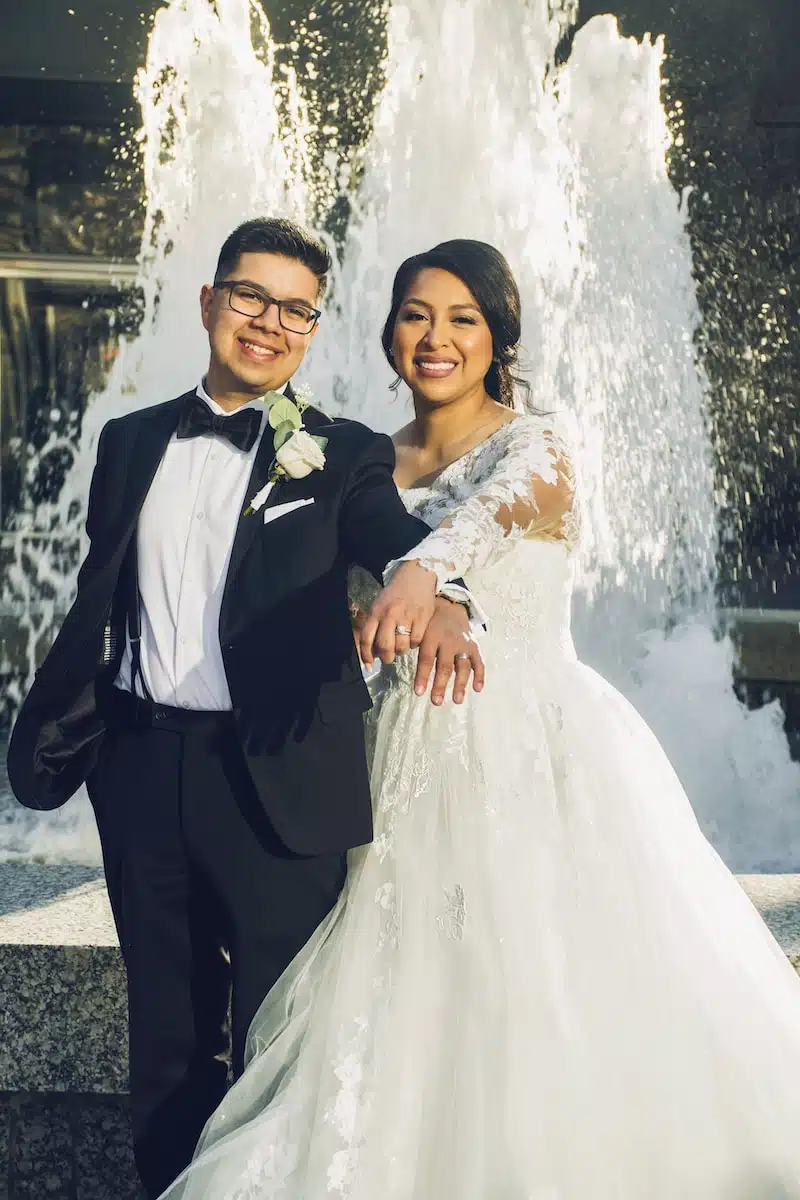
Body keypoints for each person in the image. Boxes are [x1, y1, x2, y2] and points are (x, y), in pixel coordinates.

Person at [160, 238, 800, 1200]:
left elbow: (491, 518)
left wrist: (431, 580)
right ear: (388, 332)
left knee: (535, 998)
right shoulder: (365, 458)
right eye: (416, 314)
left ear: (497, 337)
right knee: (401, 1010)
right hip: (399, 760)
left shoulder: (537, 440)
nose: (437, 337)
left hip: (528, 754)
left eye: (463, 319)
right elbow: (339, 589)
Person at [5, 219, 486, 1199]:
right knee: (167, 1035)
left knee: (281, 1037)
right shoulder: (129, 440)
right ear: (209, 303)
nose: (268, 323)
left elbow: (398, 532)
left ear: (311, 328)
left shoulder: (340, 454)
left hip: (277, 775)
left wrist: (438, 588)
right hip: (139, 765)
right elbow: (104, 592)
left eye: (294, 309)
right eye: (250, 298)